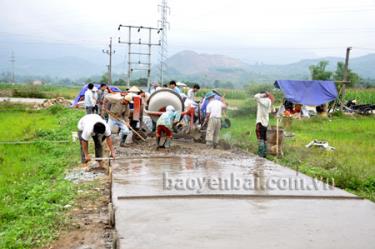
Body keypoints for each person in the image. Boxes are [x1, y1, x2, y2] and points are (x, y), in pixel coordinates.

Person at [254, 92, 274, 158]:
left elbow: (256, 96)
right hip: (266, 122)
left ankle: (260, 154)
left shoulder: (263, 101)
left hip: (260, 122)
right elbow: (270, 111)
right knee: (265, 138)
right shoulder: (269, 101)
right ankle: (264, 154)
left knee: (261, 138)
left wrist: (264, 94)